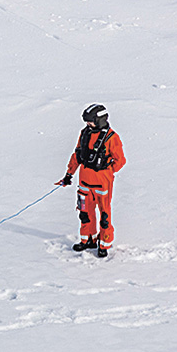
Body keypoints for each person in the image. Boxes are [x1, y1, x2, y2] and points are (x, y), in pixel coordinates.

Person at [57, 104, 126, 257]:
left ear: (100, 120)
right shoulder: (84, 133)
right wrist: (69, 174)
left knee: (104, 216)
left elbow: (120, 160)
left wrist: (107, 170)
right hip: (84, 182)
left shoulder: (112, 138)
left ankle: (104, 244)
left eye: (91, 122)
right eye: (86, 122)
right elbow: (77, 155)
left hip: (102, 183)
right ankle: (88, 240)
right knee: (84, 213)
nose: (88, 125)